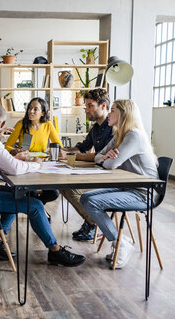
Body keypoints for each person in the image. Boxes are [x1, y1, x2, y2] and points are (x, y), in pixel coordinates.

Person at [0, 104, 86, 266]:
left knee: (19, 193)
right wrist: (36, 165)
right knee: (35, 205)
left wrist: (14, 158)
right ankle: (55, 251)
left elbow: (2, 161)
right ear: (3, 124)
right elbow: (14, 168)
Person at [79, 99, 159, 269]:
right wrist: (106, 157)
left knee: (93, 202)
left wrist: (107, 159)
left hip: (144, 193)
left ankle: (120, 242)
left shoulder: (134, 136)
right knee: (85, 198)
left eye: (113, 110)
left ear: (124, 114)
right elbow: (98, 156)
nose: (108, 113)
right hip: (128, 187)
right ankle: (121, 240)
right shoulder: (119, 135)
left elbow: (110, 165)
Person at [58, 89, 114, 241]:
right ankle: (92, 222)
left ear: (103, 106)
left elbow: (100, 157)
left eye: (90, 106)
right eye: (86, 106)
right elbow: (84, 146)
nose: (86, 110)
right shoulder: (96, 127)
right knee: (63, 186)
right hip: (98, 172)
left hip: (111, 176)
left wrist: (71, 155)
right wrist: (65, 150)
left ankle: (97, 224)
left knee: (71, 189)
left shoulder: (112, 127)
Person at [4, 97, 61, 205]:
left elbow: (58, 146)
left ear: (43, 113)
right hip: (26, 165)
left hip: (42, 166)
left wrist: (51, 151)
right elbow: (7, 146)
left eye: (35, 109)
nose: (31, 111)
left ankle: (36, 207)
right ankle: (39, 212)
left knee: (54, 193)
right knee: (32, 193)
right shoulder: (21, 124)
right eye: (30, 108)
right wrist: (15, 151)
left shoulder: (48, 125)